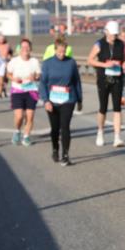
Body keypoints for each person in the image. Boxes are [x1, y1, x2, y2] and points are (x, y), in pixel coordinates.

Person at [40, 35, 83, 166]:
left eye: (64, 51)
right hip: (52, 101)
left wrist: (80, 99)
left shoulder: (71, 63)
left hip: (68, 99)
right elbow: (43, 83)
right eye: (59, 51)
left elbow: (76, 81)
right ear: (55, 50)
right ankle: (55, 149)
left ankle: (65, 155)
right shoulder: (47, 63)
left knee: (65, 127)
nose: (62, 54)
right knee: (55, 128)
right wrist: (46, 100)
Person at [87, 20, 125, 147]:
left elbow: (123, 60)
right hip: (103, 79)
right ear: (106, 32)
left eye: (116, 34)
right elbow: (90, 60)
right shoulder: (99, 44)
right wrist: (105, 64)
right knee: (103, 108)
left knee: (117, 108)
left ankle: (117, 137)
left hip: (117, 79)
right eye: (112, 34)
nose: (114, 37)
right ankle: (100, 132)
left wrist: (124, 65)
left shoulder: (121, 44)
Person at [7, 38, 41, 146]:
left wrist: (34, 77)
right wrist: (14, 79)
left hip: (31, 90)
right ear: (20, 49)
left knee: (30, 116)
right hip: (17, 90)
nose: (25, 49)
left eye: (27, 47)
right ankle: (17, 131)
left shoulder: (34, 61)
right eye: (23, 47)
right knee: (19, 116)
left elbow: (39, 75)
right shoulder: (14, 61)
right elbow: (8, 74)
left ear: (30, 48)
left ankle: (26, 136)